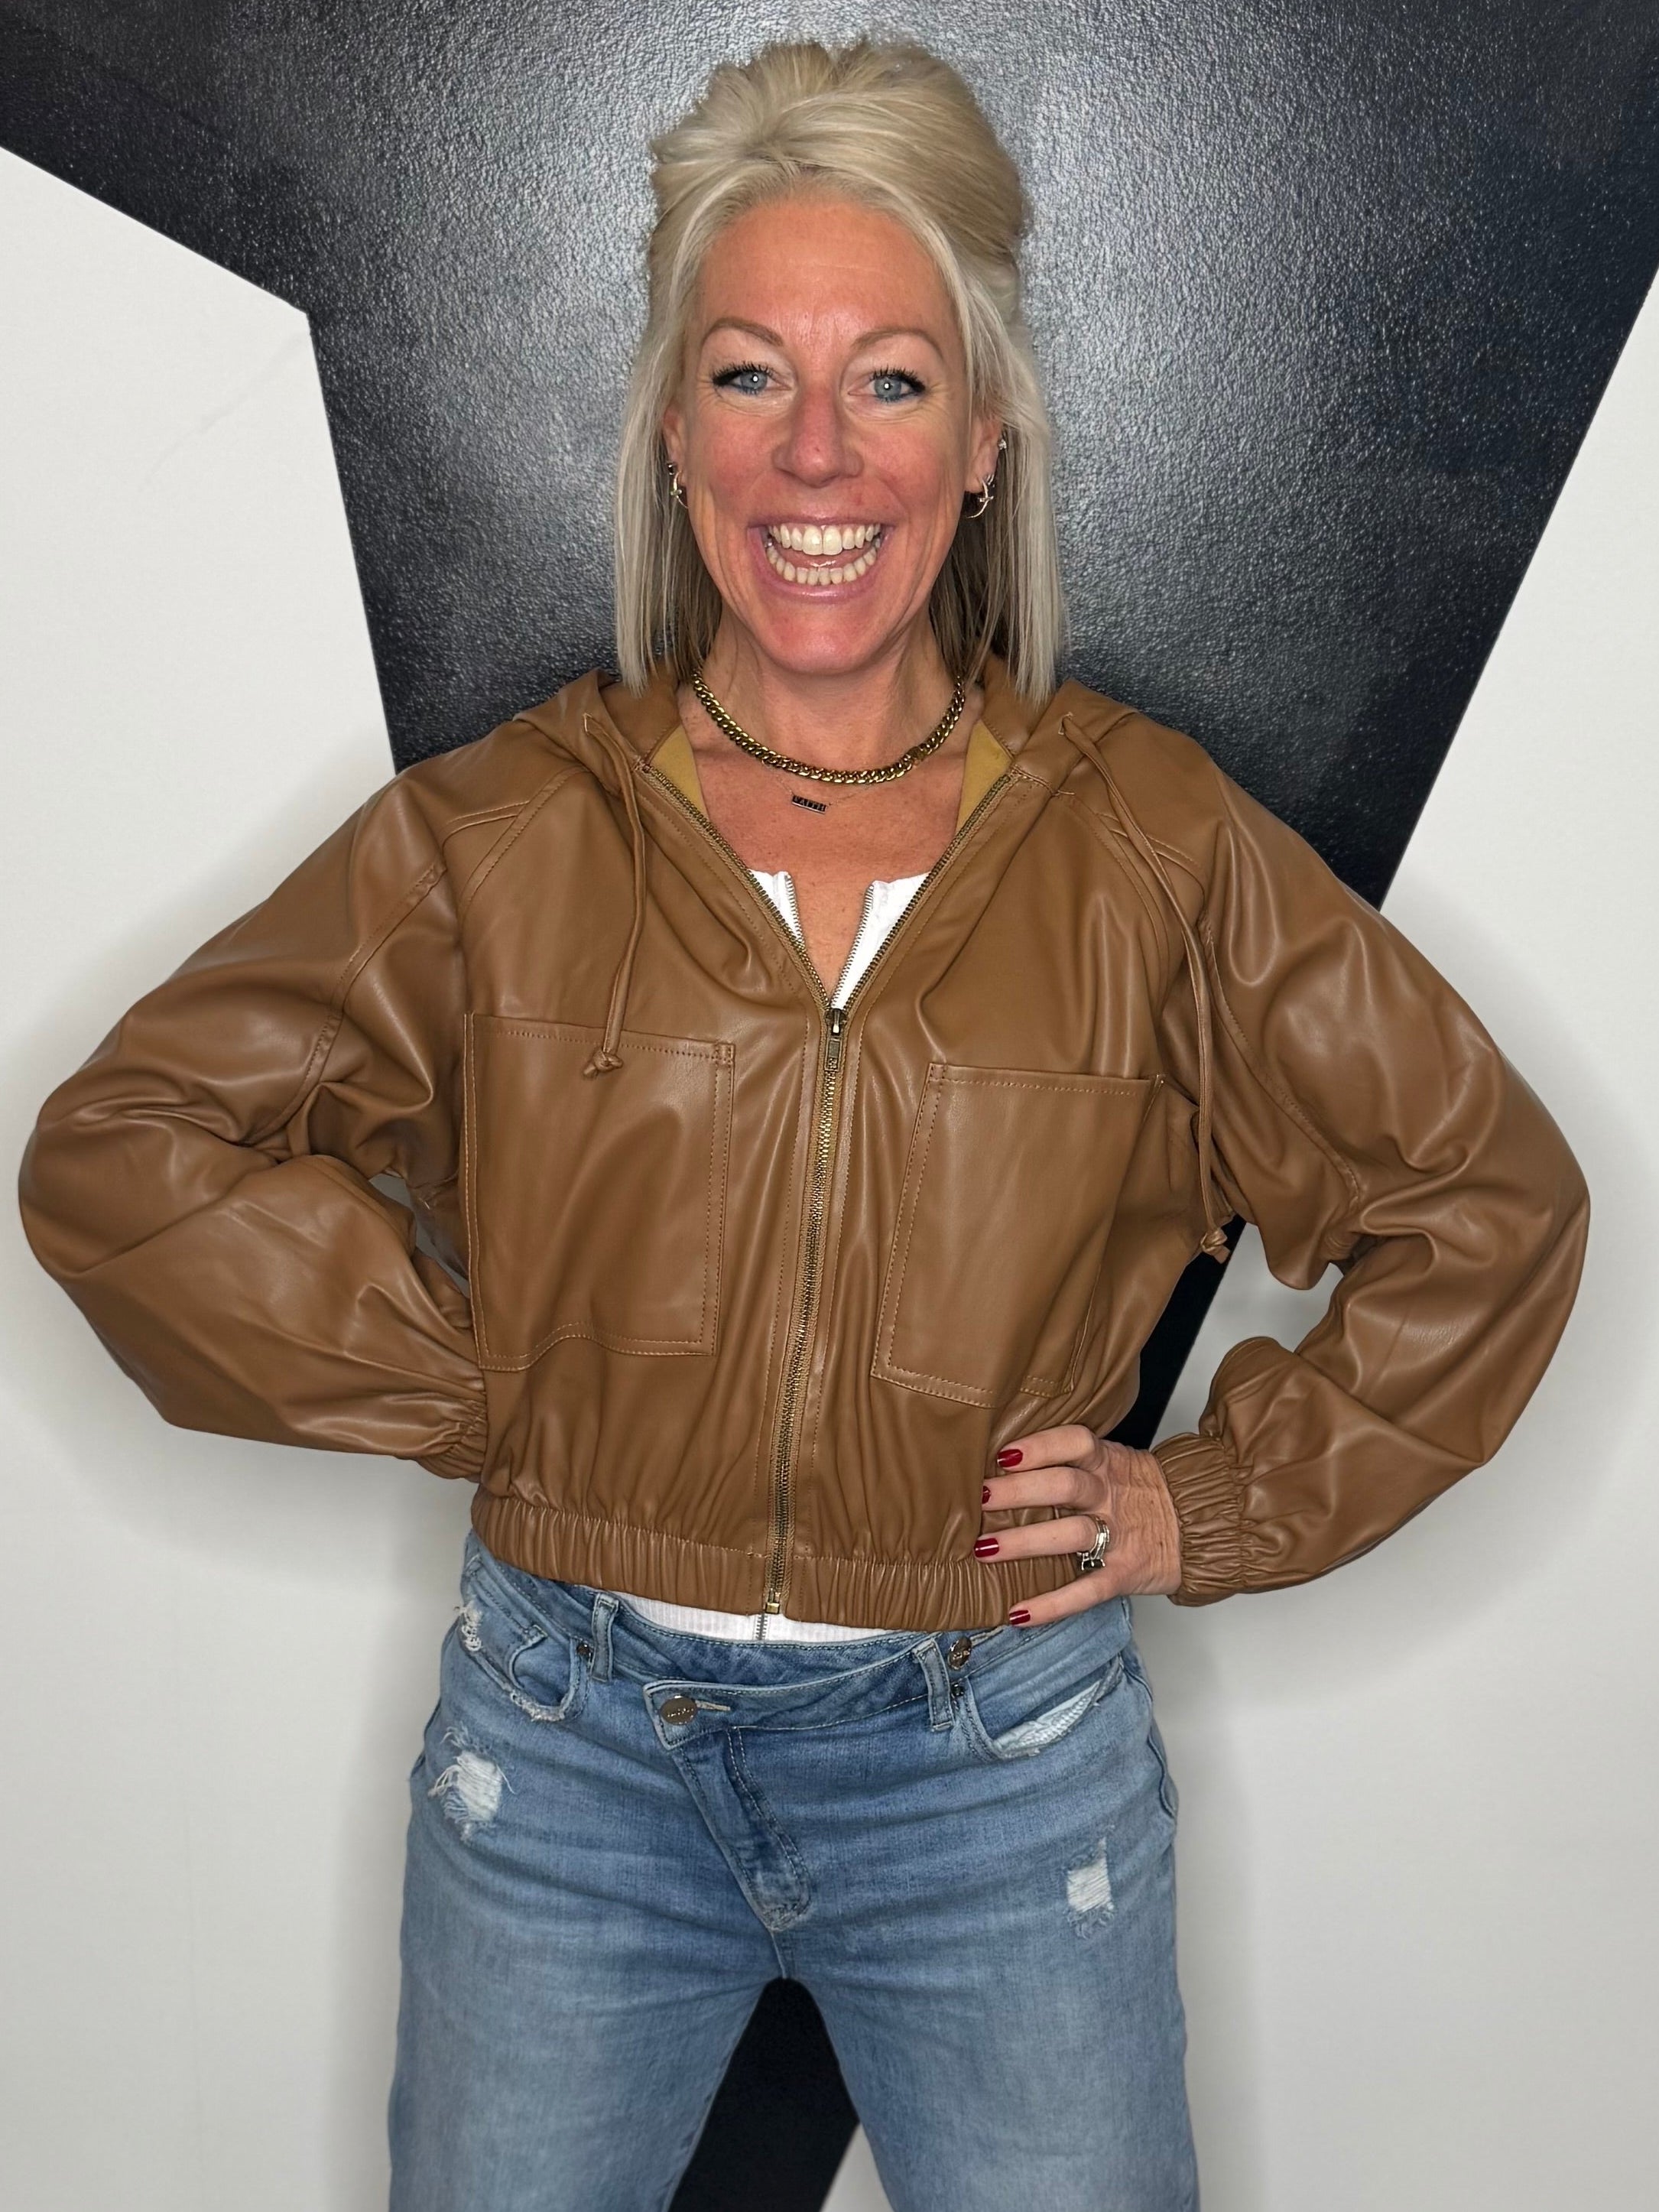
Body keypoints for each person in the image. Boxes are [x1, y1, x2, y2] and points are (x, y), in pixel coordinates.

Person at [18, 35, 1587, 2212]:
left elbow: (1482, 1203)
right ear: (673, 439)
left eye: (890, 381)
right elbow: (125, 1151)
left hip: (992, 1777)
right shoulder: (502, 838)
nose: (814, 453)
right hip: (560, 1765)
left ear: (983, 439)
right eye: (750, 377)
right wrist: (482, 1382)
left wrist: (1198, 1510)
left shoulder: (1146, 847)